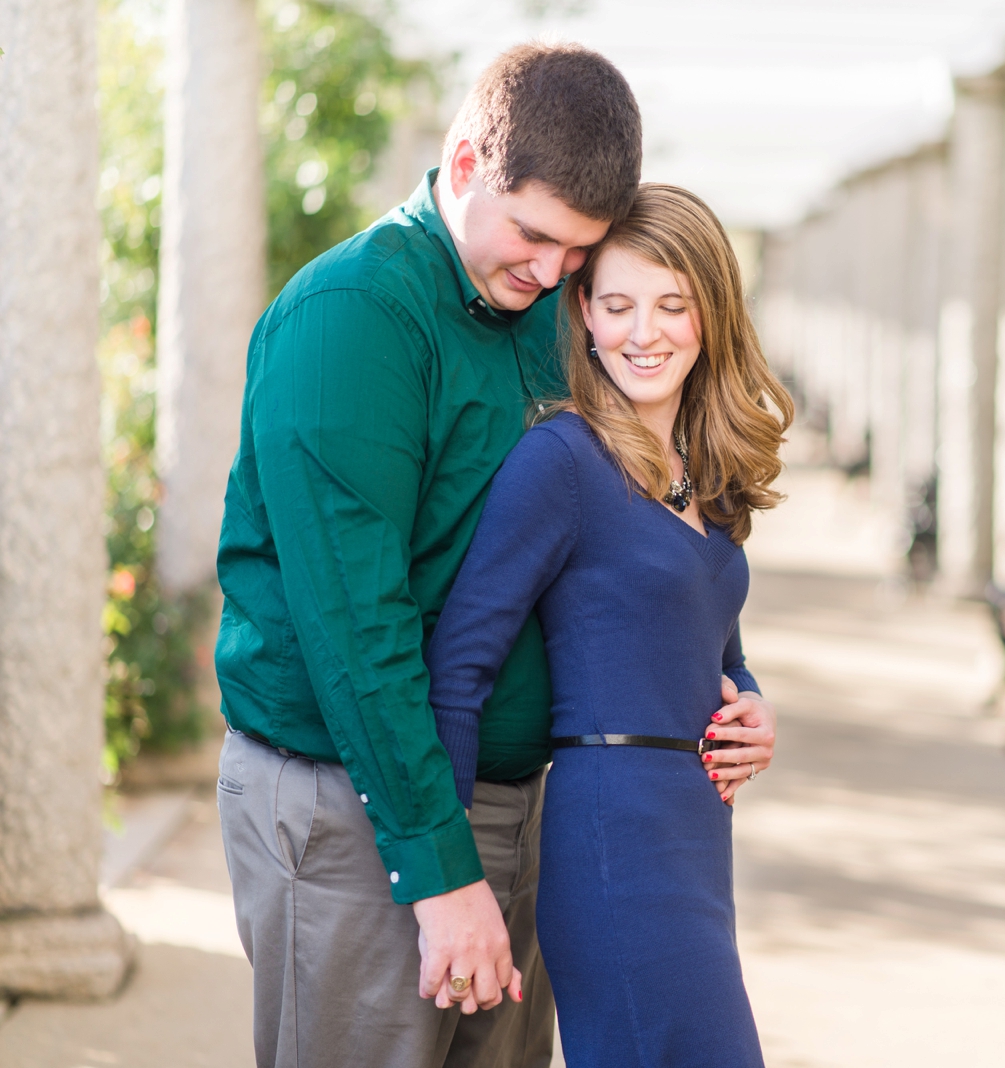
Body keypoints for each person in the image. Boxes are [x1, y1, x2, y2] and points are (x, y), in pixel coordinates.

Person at [212, 44, 777, 1068]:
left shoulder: (548, 310)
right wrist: (440, 870)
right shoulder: (350, 321)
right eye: (534, 236)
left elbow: (636, 548)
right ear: (465, 162)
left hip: (534, 807)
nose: (554, 272)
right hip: (356, 802)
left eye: (578, 253)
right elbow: (356, 632)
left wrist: (733, 687)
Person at [425, 183, 791, 1067]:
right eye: (618, 304)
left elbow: (711, 646)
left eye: (672, 305)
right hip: (611, 837)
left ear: (711, 316)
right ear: (582, 312)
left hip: (695, 834)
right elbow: (459, 667)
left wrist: (753, 707)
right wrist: (451, 877)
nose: (643, 332)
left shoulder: (706, 476)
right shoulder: (561, 462)